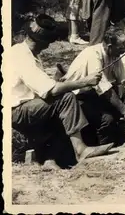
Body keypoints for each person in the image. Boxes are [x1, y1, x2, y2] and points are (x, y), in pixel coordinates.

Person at [9, 14, 113, 169]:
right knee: (65, 98)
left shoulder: (29, 54)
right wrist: (83, 82)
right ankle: (81, 149)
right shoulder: (22, 56)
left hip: (28, 106)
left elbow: (44, 87)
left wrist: (61, 81)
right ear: (43, 43)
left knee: (62, 106)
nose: (48, 47)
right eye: (48, 43)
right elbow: (51, 90)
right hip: (16, 111)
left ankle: (50, 159)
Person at [61, 27, 125, 146]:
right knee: (107, 119)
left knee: (122, 91)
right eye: (121, 46)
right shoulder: (94, 54)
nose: (124, 49)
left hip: (94, 93)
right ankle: (104, 147)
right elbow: (104, 89)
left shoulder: (114, 54)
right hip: (77, 96)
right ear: (109, 45)